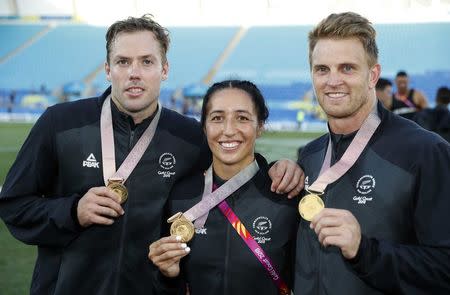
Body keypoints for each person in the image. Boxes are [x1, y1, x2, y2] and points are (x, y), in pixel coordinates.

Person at [0, 15, 303, 295]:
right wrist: (72, 211)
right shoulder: (60, 123)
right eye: (123, 62)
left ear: (165, 69)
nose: (134, 73)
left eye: (146, 61)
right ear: (107, 69)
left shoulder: (188, 137)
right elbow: (14, 205)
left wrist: (277, 168)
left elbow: (232, 170)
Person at [294, 12, 450, 295]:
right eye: (322, 69)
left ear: (373, 75)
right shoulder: (309, 156)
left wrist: (364, 250)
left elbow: (444, 267)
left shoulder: (425, 152)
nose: (333, 81)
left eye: (347, 68)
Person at [149, 80, 299, 294]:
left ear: (260, 126)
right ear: (204, 126)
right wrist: (168, 276)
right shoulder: (181, 196)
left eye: (242, 118)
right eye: (217, 118)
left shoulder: (286, 195)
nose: (228, 130)